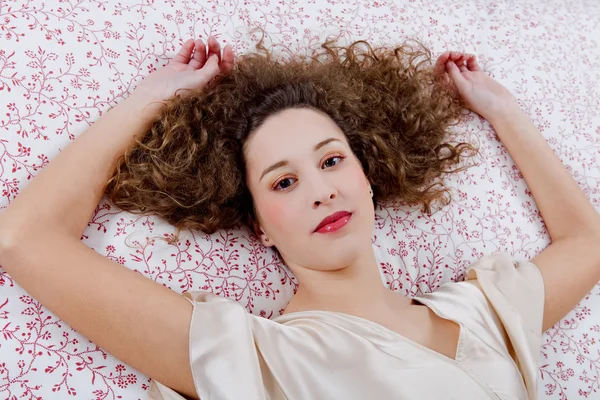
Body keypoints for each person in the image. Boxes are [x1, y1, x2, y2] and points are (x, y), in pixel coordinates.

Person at [1, 34, 599, 400]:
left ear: (368, 178)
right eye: (283, 181)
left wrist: (502, 110)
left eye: (332, 161)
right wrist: (154, 96)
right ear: (260, 224)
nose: (321, 191)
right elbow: (24, 238)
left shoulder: (488, 312)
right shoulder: (254, 357)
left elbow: (587, 241)